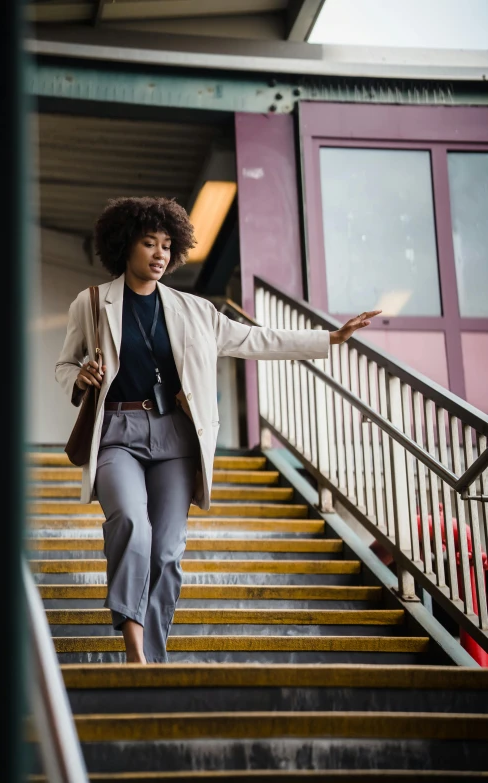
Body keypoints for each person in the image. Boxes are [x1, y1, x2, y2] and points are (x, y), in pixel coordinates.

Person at [55, 196, 380, 664]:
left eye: (167, 245)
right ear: (125, 246)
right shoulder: (90, 304)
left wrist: (327, 338)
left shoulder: (194, 310)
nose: (160, 254)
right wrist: (80, 376)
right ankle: (132, 645)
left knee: (166, 551)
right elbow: (65, 364)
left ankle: (152, 656)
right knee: (131, 523)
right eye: (149, 243)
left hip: (174, 438)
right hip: (117, 432)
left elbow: (254, 339)